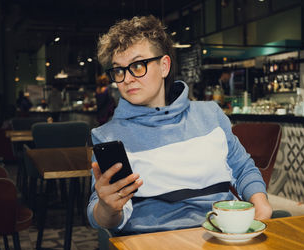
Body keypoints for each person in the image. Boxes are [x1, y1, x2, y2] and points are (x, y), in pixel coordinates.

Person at [87, 15, 272, 235]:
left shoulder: (211, 115)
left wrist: (261, 204)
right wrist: (107, 208)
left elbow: (242, 169)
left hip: (223, 236)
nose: (126, 79)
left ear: (164, 66)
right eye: (119, 70)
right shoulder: (109, 136)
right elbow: (101, 213)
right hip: (154, 244)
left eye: (137, 66)